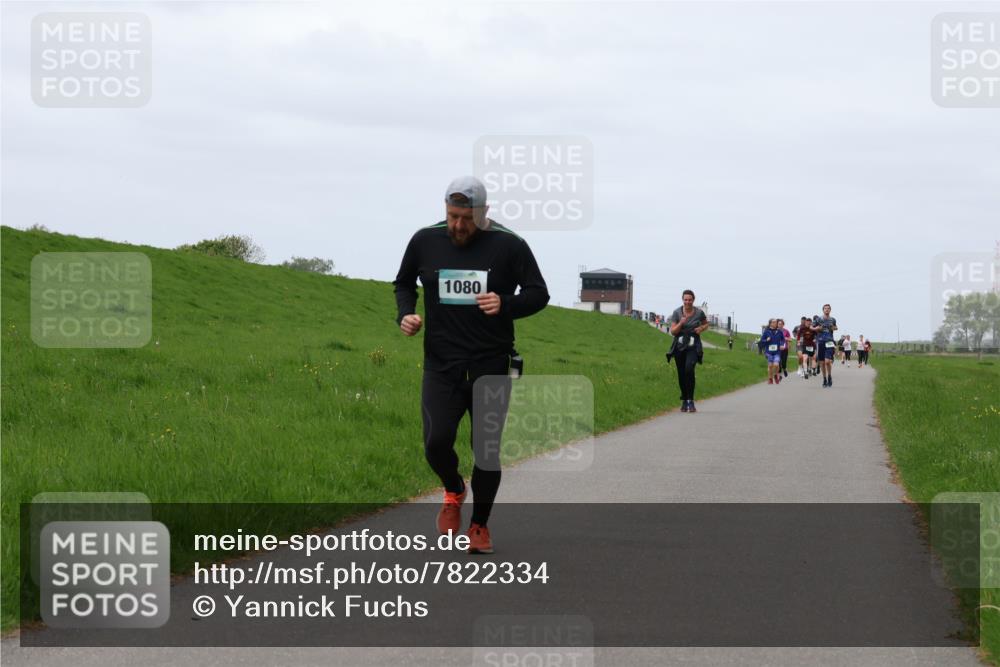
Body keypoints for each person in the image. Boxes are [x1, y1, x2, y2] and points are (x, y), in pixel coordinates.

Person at [393, 175, 549, 554]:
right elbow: (403, 282)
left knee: (487, 449)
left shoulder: (510, 245)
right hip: (441, 363)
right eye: (452, 216)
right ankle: (453, 489)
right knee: (436, 442)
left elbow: (538, 293)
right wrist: (406, 314)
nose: (458, 226)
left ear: (484, 213)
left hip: (490, 363)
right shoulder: (424, 240)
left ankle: (479, 526)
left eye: (466, 217)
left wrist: (505, 304)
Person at [666, 289, 710, 413]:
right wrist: (681, 322)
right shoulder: (677, 312)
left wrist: (701, 328)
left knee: (689, 369)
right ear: (682, 300)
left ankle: (691, 401)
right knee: (681, 373)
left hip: (693, 345)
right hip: (679, 346)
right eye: (685, 300)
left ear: (693, 300)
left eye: (690, 300)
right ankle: (684, 400)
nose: (687, 302)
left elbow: (706, 324)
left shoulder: (699, 313)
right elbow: (673, 331)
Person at [811, 304, 838, 387]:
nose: (827, 310)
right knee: (822, 362)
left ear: (830, 310)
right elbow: (811, 327)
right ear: (823, 310)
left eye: (828, 309)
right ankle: (824, 379)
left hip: (829, 341)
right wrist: (817, 329)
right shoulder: (818, 319)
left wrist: (833, 328)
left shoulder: (832, 319)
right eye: (825, 308)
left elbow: (836, 327)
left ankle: (829, 376)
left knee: (827, 361)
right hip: (820, 341)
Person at [759, 318, 785, 384]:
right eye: (774, 322)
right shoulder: (766, 331)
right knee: (770, 366)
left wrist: (782, 345)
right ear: (770, 323)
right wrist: (766, 340)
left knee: (776, 365)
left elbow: (783, 340)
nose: (775, 323)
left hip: (777, 352)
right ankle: (770, 379)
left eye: (776, 322)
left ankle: (775, 375)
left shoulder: (779, 331)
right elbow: (761, 341)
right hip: (769, 352)